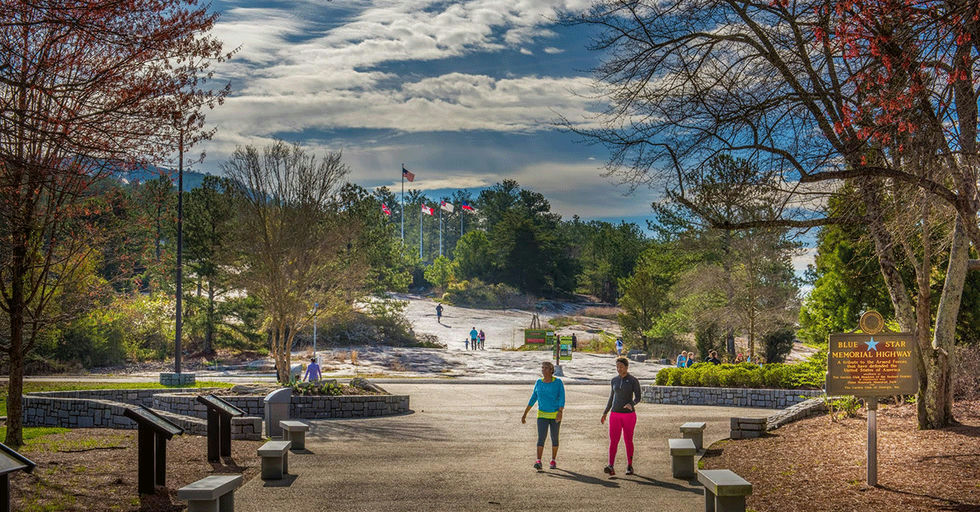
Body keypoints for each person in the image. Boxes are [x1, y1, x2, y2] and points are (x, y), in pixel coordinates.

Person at [601, 356, 641, 476]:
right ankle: (611, 466)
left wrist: (631, 404)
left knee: (628, 440)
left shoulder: (633, 380)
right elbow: (611, 398)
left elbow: (638, 397)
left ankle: (630, 465)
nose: (619, 369)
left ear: (627, 367)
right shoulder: (614, 380)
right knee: (613, 441)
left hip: (629, 416)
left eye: (621, 366)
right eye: (617, 366)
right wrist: (605, 412)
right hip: (615, 415)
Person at [522, 361, 565, 470]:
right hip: (542, 415)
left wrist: (560, 411)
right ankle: (538, 461)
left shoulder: (558, 382)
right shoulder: (539, 382)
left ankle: (553, 460)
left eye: (546, 368)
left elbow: (562, 397)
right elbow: (533, 398)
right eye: (542, 368)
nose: (543, 370)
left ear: (551, 370)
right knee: (541, 438)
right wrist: (525, 413)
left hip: (555, 415)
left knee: (554, 438)